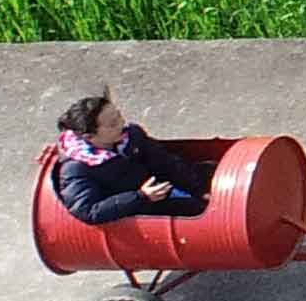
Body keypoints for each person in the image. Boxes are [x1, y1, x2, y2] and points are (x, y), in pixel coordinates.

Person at [47, 92, 210, 223]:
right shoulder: (78, 168)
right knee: (195, 211)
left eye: (119, 116)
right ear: (90, 137)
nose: (122, 124)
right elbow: (89, 211)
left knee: (210, 173)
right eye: (112, 124)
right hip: (142, 209)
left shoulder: (131, 135)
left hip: (162, 188)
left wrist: (198, 188)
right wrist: (140, 197)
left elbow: (165, 163)